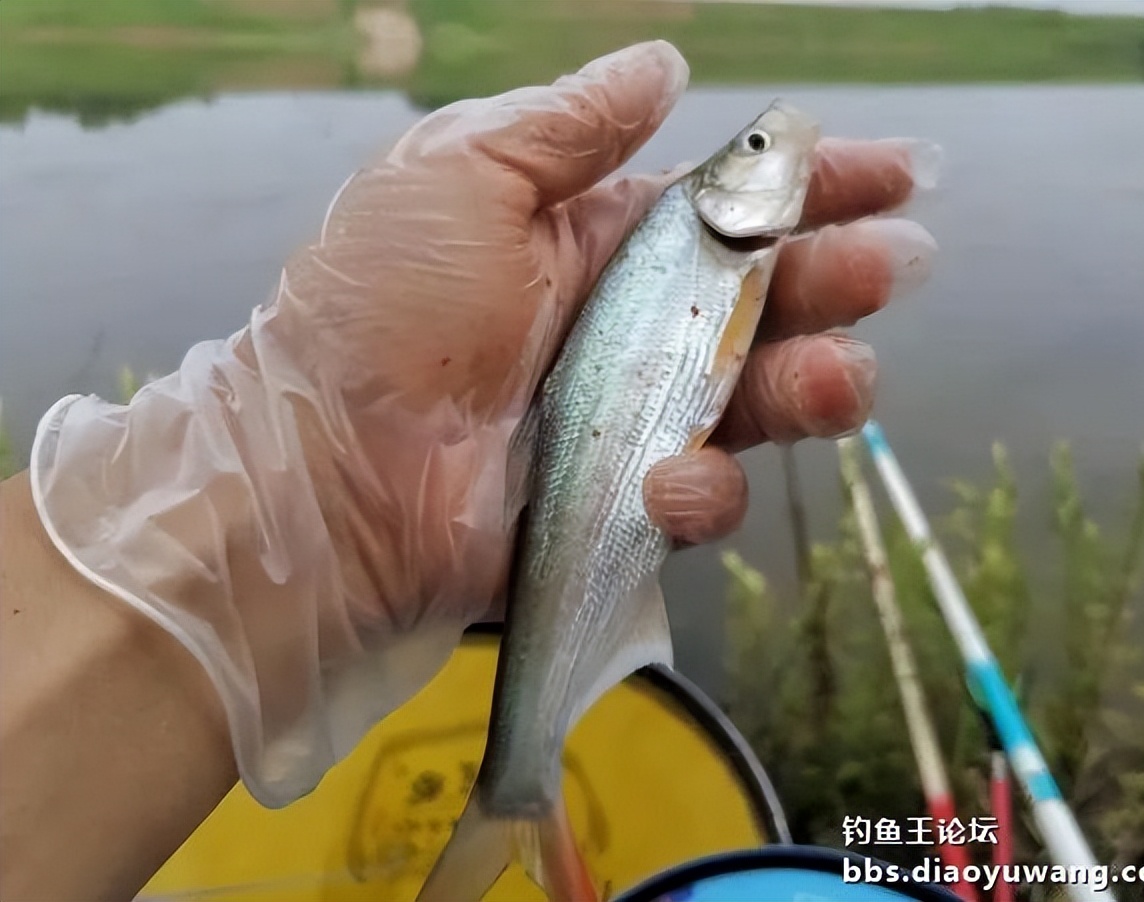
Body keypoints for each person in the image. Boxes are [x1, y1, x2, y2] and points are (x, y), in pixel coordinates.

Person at [0, 41, 936, 901]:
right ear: (725, 189)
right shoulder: (690, 233)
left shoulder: (719, 244)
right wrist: (309, 464)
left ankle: (518, 785)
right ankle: (516, 784)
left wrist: (283, 482)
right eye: (760, 145)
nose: (776, 150)